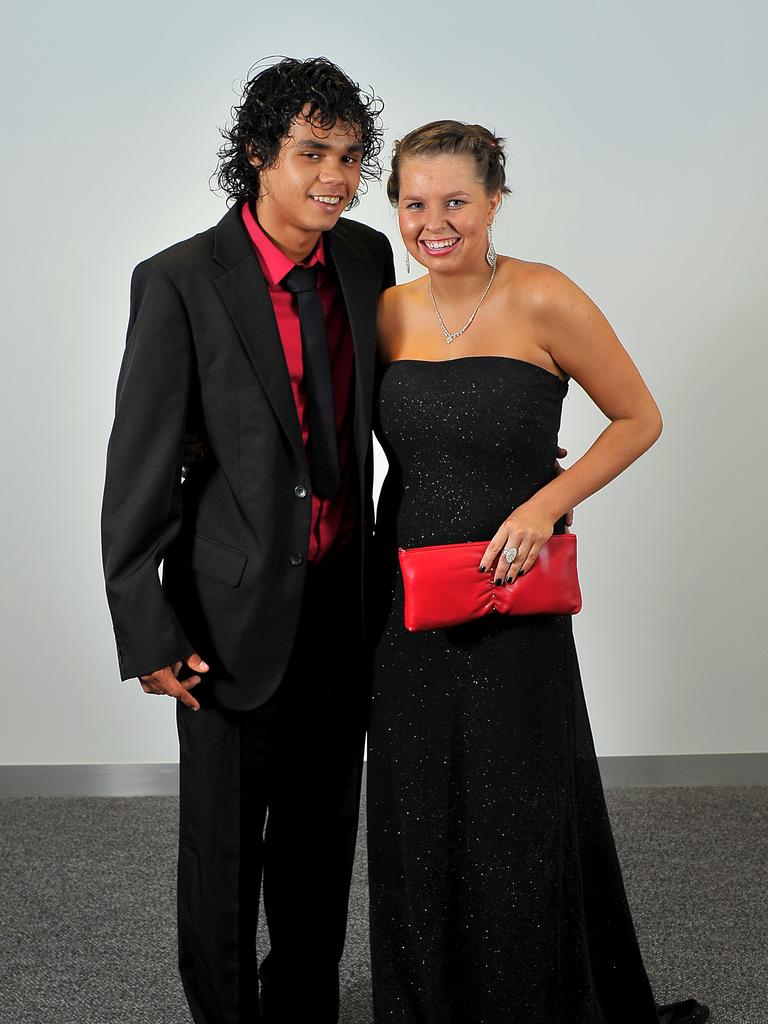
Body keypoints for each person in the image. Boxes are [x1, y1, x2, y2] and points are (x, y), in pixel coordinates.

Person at [368, 120, 709, 1024]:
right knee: (419, 813)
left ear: (494, 202)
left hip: (516, 601)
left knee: (517, 815)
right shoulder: (387, 311)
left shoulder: (545, 296)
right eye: (413, 203)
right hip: (405, 606)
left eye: (455, 203)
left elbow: (638, 418)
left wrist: (546, 499)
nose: (433, 223)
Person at [100, 57, 394, 1024]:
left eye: (351, 157)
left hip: (341, 609)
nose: (337, 177)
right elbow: (139, 469)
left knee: (319, 848)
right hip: (223, 622)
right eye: (313, 153)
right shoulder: (181, 281)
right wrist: (148, 630)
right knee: (223, 853)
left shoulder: (363, 260)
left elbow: (394, 401)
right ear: (259, 157)